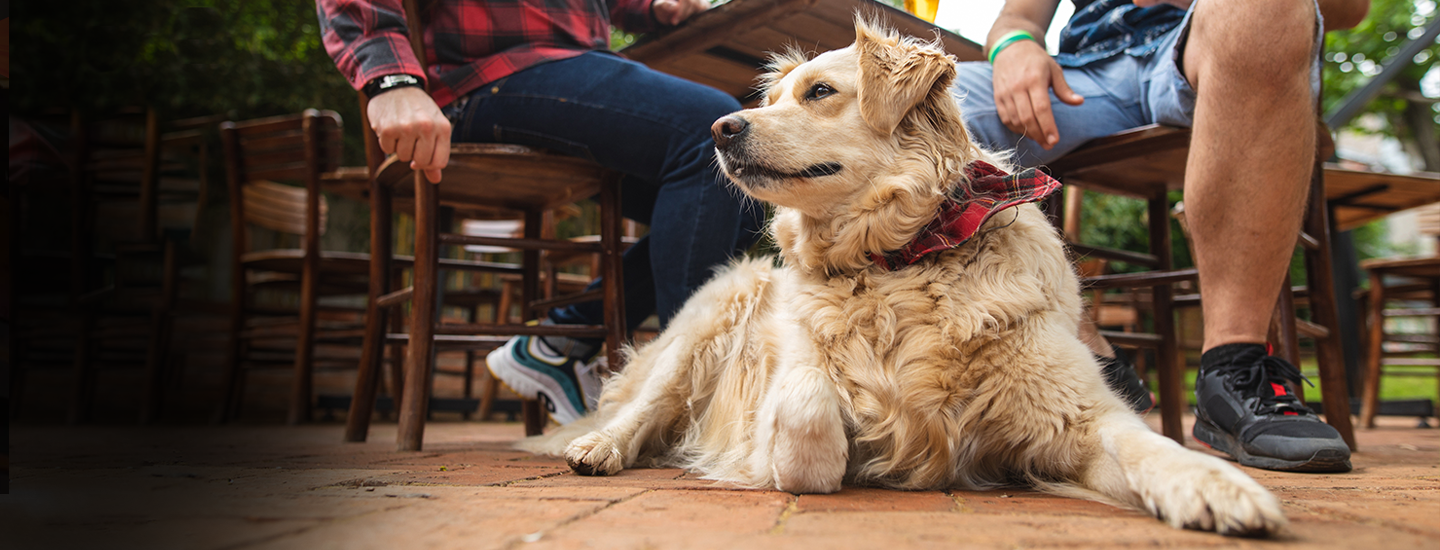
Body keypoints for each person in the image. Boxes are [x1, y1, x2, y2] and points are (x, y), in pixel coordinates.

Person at [952, 0, 1370, 472]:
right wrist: (1015, 46)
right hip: (1083, 75)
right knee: (912, 104)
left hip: (1218, 42)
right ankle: (1076, 350)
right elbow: (1018, 18)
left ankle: (1234, 366)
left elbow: (1351, 8)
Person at [317, 0, 765, 425]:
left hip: (573, 72)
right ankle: (690, 400)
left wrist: (650, 8)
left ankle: (557, 342)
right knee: (707, 130)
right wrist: (392, 81)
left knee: (745, 199)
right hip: (485, 77)